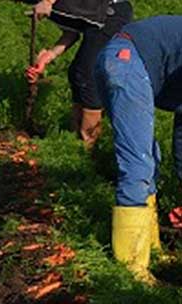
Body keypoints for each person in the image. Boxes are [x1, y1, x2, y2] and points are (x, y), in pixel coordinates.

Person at [94, 15, 182, 285]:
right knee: (137, 163)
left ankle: (151, 249)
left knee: (148, 158)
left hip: (123, 59)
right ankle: (130, 269)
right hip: (126, 60)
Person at [25, 0, 132, 148]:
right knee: (76, 72)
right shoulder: (52, 5)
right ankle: (75, 135)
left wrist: (48, 2)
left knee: (87, 74)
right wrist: (48, 56)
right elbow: (72, 32)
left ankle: (90, 142)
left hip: (110, 14)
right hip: (96, 21)